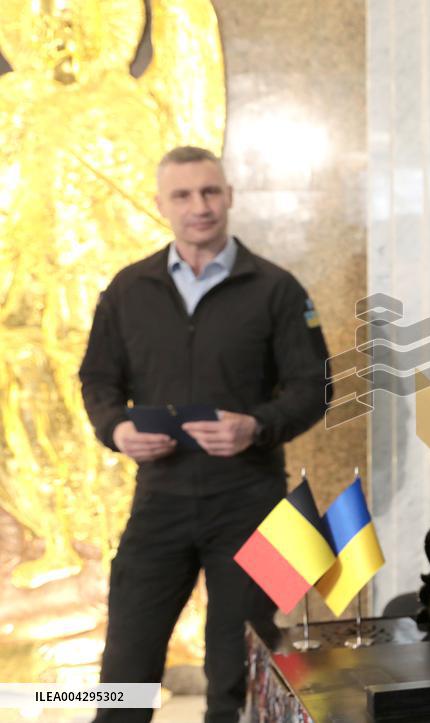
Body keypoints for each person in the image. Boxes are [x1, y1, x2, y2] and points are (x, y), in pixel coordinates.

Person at [80, 146, 328, 723]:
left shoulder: (277, 289)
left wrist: (256, 426)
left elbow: (314, 387)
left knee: (238, 672)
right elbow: (97, 378)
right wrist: (114, 428)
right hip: (159, 501)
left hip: (251, 502)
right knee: (124, 666)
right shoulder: (127, 290)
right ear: (160, 203)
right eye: (184, 195)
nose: (200, 206)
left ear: (230, 196)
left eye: (210, 191)